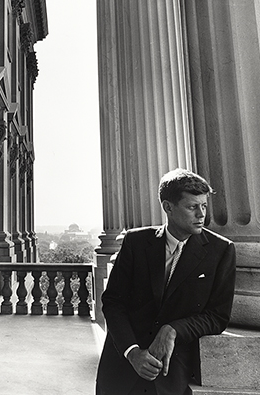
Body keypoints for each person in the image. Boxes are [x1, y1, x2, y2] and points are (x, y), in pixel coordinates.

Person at [95, 169, 236, 395]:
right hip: (121, 372)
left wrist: (173, 329)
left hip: (172, 374)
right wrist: (132, 352)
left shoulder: (221, 251)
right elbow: (113, 302)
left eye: (204, 206)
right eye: (192, 207)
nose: (202, 215)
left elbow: (218, 316)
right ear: (168, 207)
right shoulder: (135, 242)